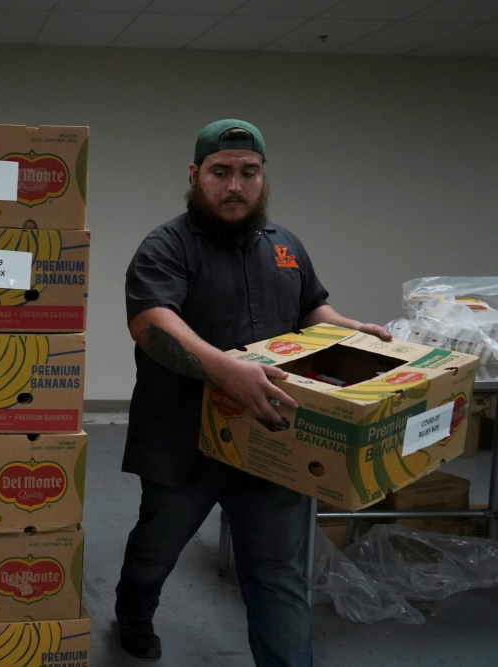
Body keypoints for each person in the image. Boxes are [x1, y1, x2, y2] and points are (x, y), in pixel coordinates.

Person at [114, 119, 392, 666]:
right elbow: (150, 323)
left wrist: (343, 326)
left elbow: (311, 305)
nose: (235, 185)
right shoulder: (166, 246)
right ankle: (134, 608)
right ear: (196, 175)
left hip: (272, 438)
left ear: (263, 178)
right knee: (156, 548)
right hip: (183, 441)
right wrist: (227, 372)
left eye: (248, 172)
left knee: (277, 574)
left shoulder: (285, 245)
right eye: (221, 172)